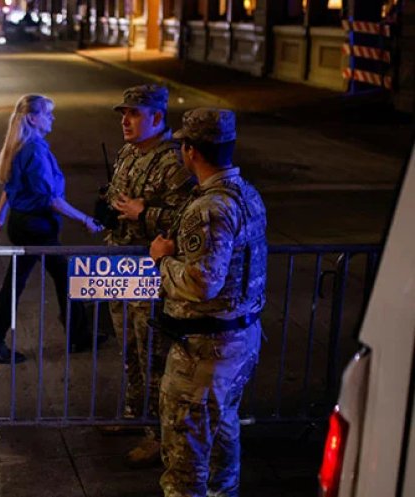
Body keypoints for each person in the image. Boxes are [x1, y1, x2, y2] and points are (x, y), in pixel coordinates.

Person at [149, 108, 267, 497]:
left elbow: (202, 285)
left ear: (190, 151)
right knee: (223, 432)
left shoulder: (210, 208)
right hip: (240, 339)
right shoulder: (247, 195)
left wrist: (163, 259)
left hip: (205, 351)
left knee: (185, 457)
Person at [101, 84, 195, 465]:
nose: (126, 121)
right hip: (121, 266)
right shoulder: (128, 153)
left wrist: (146, 214)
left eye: (134, 114)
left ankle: (157, 433)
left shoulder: (173, 162)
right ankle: (133, 413)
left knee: (152, 355)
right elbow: (116, 196)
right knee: (128, 351)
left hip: (149, 272)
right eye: (124, 113)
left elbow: (189, 219)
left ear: (157, 117)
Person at [0, 94, 104, 364]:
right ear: (32, 118)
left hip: (21, 222)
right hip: (37, 227)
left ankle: (78, 334)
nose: (52, 118)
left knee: (58, 276)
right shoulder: (35, 150)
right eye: (48, 114)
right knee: (39, 279)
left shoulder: (19, 145)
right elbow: (51, 199)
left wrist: (0, 216)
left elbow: (10, 187)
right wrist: (85, 219)